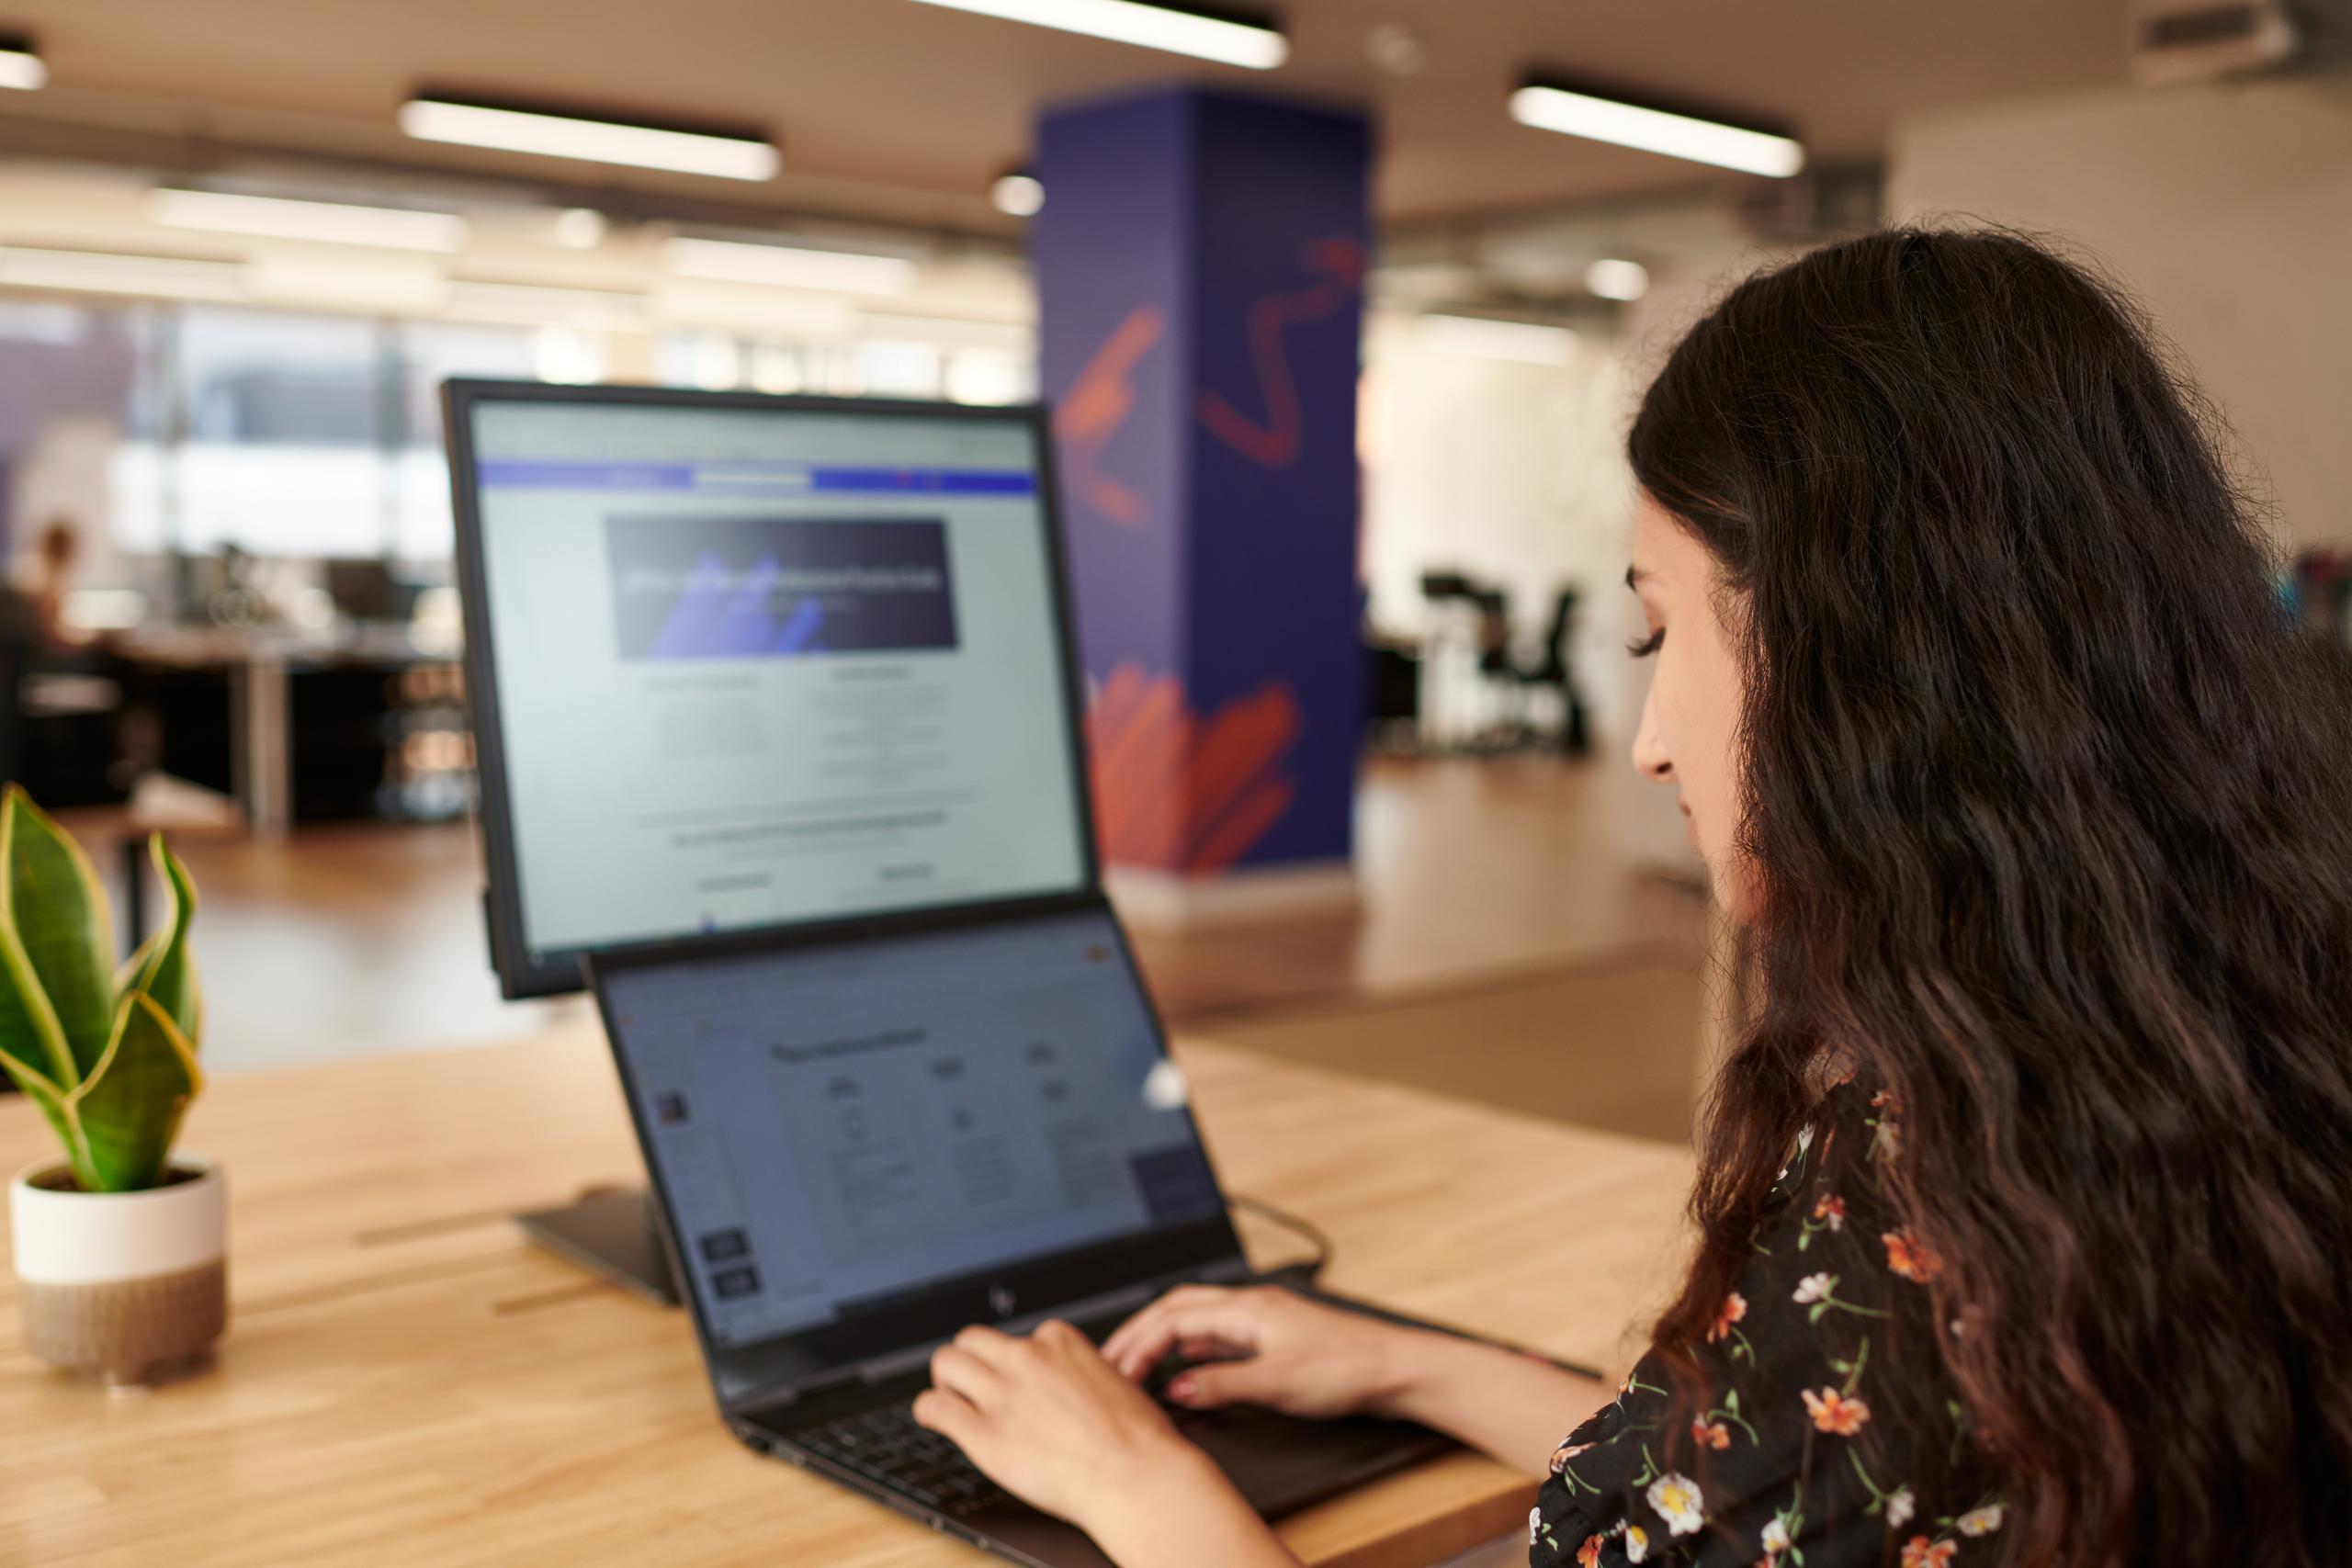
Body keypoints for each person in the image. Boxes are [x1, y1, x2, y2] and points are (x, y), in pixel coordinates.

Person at [910, 228, 2352, 1567]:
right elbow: (1769, 1490)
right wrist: (1410, 1364)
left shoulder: (1917, 1238)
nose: (1653, 736)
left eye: (1664, 630)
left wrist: (1133, 1483)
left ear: (1864, 665)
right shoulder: (2164, 1082)